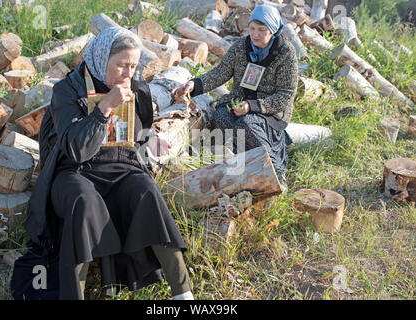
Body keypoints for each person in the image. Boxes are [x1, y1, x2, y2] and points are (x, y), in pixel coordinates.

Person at [23, 27, 194, 300]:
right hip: (75, 172)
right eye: (122, 66)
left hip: (121, 168)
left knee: (146, 191)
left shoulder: (135, 86)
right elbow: (76, 150)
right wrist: (104, 109)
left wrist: (149, 140)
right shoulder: (67, 91)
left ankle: (183, 294)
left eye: (134, 66)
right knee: (84, 200)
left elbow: (139, 132)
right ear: (102, 60)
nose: (128, 74)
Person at [173, 5, 299, 190]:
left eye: (261, 30)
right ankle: (246, 163)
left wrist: (252, 106)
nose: (255, 34)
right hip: (240, 101)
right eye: (252, 28)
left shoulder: (285, 53)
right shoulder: (241, 46)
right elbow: (220, 72)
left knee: (246, 123)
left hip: (270, 109)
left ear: (272, 30)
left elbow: (286, 94)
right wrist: (194, 84)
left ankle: (274, 168)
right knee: (221, 116)